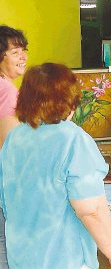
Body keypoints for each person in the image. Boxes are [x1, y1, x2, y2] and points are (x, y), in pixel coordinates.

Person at [0, 63, 111, 269]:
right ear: (70, 99)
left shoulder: (15, 137)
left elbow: (6, 200)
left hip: (22, 255)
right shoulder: (74, 140)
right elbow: (90, 210)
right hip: (64, 257)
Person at [0, 25, 28, 268]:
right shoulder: (7, 91)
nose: (24, 56)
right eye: (16, 51)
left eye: (24, 50)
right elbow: (9, 147)